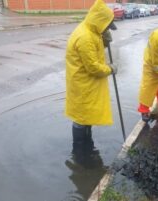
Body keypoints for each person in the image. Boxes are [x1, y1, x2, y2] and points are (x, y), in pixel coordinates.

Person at [65, 0, 117, 151]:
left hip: (88, 84)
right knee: (81, 118)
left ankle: (88, 143)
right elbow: (93, 67)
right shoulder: (85, 37)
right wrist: (110, 69)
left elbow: (95, 51)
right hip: (83, 85)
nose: (108, 29)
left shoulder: (92, 31)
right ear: (99, 22)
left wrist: (104, 42)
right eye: (107, 26)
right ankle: (80, 150)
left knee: (86, 116)